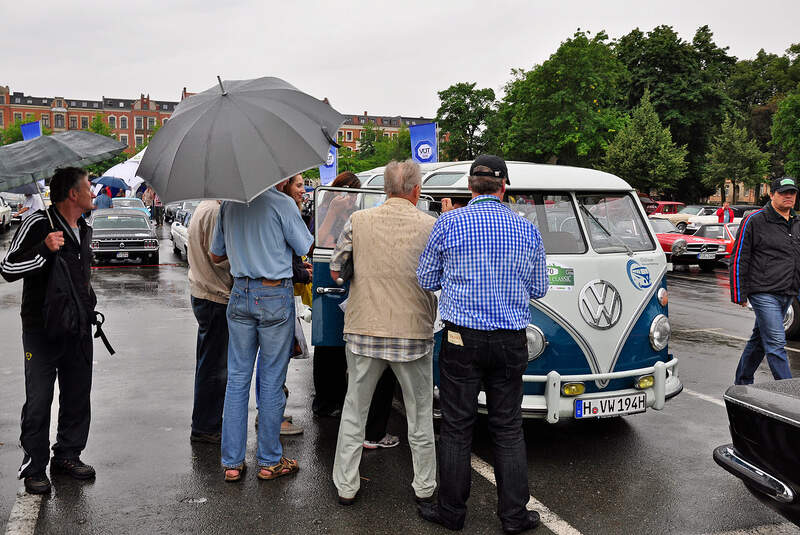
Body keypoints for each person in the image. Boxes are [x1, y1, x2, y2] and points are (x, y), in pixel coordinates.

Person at [416, 155, 548, 534]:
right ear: (504, 185)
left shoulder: (449, 223)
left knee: (457, 426)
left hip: (461, 337)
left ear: (470, 185)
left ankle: (452, 513)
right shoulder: (526, 229)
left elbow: (426, 277)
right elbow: (539, 287)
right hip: (510, 340)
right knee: (508, 428)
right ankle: (514, 517)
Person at [330, 160, 438, 505]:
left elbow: (336, 269)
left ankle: (346, 485)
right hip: (413, 332)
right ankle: (424, 486)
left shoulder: (359, 221)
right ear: (416, 191)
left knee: (354, 411)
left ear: (385, 190)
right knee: (420, 416)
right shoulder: (430, 225)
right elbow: (437, 279)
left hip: (364, 329)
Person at [0, 167, 99, 495]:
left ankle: (68, 455)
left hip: (78, 328)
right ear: (73, 194)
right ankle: (34, 466)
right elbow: (8, 268)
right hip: (41, 331)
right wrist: (43, 249)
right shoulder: (38, 223)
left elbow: (81, 277)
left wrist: (89, 307)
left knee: (77, 395)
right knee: (40, 399)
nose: (93, 193)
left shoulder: (84, 227)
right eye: (88, 187)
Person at [209, 185, 313, 482]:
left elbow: (216, 255)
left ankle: (232, 462)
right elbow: (304, 245)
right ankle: (269, 461)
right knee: (270, 381)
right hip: (273, 294)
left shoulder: (229, 204)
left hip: (240, 291)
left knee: (238, 379)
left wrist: (245, 247)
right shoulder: (281, 204)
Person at [730, 176, 800, 385]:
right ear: (771, 195)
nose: (788, 197)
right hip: (763, 292)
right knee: (776, 343)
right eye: (783, 193)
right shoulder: (755, 220)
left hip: (788, 291)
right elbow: (740, 256)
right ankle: (789, 392)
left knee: (759, 341)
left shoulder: (796, 222)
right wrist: (739, 293)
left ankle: (742, 382)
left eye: (792, 193)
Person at [187, 200, 233, 444]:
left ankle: (206, 421)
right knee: (215, 368)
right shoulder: (215, 211)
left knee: (208, 364)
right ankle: (206, 426)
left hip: (203, 292)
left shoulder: (204, 207)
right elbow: (219, 256)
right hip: (215, 295)